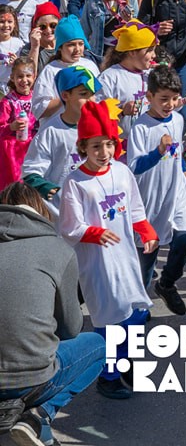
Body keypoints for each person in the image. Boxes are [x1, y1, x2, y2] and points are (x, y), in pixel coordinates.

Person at [59, 99, 158, 401]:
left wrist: (146, 230)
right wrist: (95, 232)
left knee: (136, 312)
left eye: (109, 144)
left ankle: (125, 362)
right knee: (111, 319)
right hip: (98, 264)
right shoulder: (75, 182)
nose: (104, 153)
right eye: (96, 147)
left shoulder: (122, 171)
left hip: (125, 258)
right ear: (83, 148)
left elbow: (135, 207)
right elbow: (70, 226)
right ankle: (108, 376)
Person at [0, 182, 105, 446]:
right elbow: (71, 328)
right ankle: (38, 415)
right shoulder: (57, 249)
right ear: (40, 210)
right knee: (99, 346)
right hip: (32, 377)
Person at [127, 65, 186, 315]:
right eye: (164, 99)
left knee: (185, 242)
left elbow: (177, 152)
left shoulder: (178, 119)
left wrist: (183, 170)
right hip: (150, 198)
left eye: (175, 99)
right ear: (149, 96)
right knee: (146, 260)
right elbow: (135, 166)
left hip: (175, 192)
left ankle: (166, 283)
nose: (170, 104)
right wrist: (158, 152)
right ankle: (138, 308)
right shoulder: (141, 127)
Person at [23, 64, 101, 222]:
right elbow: (30, 172)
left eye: (93, 94)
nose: (91, 100)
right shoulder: (50, 131)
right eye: (84, 94)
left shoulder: (100, 128)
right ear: (65, 95)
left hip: (94, 211)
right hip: (61, 214)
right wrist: (49, 189)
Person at [31, 16, 100, 122]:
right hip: (58, 128)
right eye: (71, 45)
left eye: (81, 44)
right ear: (60, 47)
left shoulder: (90, 66)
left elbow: (100, 98)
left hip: (87, 126)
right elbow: (39, 110)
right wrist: (69, 97)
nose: (77, 49)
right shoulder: (51, 70)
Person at [98, 20, 158, 138]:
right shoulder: (109, 77)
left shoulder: (151, 75)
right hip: (120, 143)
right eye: (149, 50)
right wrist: (122, 110)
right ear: (132, 52)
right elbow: (96, 112)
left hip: (148, 142)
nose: (154, 55)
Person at [0, 58, 37, 187]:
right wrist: (11, 126)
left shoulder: (37, 98)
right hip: (13, 152)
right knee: (15, 184)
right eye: (20, 76)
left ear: (34, 76)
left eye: (28, 76)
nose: (24, 80)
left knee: (31, 181)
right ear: (12, 78)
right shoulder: (8, 101)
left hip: (33, 146)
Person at [22, 2, 61, 76]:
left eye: (53, 25)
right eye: (42, 27)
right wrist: (35, 47)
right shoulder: (28, 49)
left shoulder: (65, 45)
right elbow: (29, 76)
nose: (48, 30)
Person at [0, 5, 25, 94]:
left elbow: (25, 68)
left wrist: (16, 63)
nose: (6, 25)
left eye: (10, 21)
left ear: (15, 24)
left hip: (12, 88)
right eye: (2, 21)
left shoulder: (19, 44)